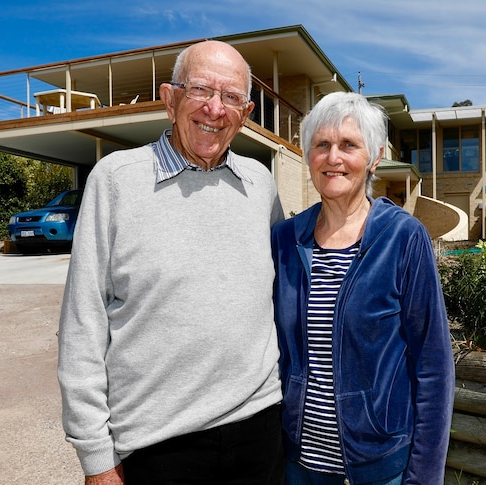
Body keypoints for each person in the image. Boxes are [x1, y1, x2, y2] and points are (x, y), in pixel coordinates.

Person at [58, 40, 285, 485]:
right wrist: (96, 457)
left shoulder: (261, 184)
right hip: (156, 445)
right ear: (170, 98)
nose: (215, 109)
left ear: (247, 112)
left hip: (261, 430)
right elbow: (82, 322)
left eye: (232, 97)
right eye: (200, 89)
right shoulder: (116, 179)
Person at [271, 92, 455, 485]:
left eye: (348, 145)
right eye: (321, 144)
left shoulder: (403, 238)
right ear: (308, 156)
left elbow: (434, 366)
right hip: (298, 467)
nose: (333, 157)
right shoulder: (286, 240)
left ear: (374, 158)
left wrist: (423, 478)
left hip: (380, 466)